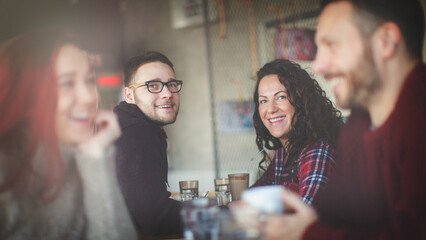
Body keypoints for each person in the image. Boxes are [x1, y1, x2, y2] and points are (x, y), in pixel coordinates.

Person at [258, 0, 426, 239]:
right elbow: (330, 213)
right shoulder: (359, 124)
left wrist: (306, 232)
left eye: (332, 45)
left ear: (386, 41)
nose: (318, 66)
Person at [0, 30, 137, 239]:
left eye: (90, 80)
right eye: (67, 83)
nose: (88, 97)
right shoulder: (5, 173)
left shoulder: (86, 162)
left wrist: (96, 159)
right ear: (27, 95)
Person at [251, 59, 343, 204]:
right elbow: (253, 196)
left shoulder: (317, 150)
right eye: (263, 101)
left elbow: (307, 217)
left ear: (302, 101)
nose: (271, 109)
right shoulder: (283, 152)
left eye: (281, 97)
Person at [114, 51, 183, 237]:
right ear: (129, 95)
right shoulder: (135, 131)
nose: (167, 93)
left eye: (172, 84)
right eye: (153, 85)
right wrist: (228, 213)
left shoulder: (129, 125)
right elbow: (158, 220)